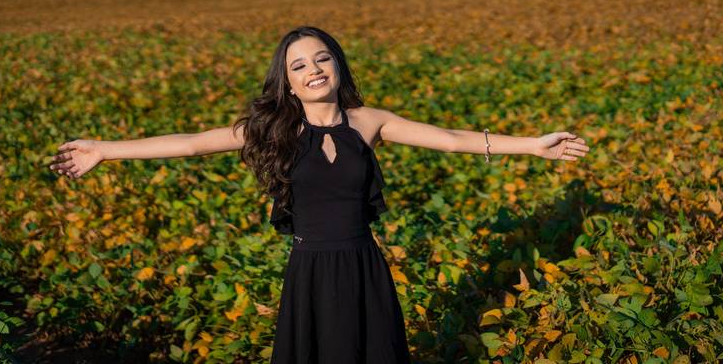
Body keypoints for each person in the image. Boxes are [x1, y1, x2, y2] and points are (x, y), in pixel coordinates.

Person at [49, 25, 590, 363]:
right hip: (309, 269)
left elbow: (450, 139)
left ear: (339, 64)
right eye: (299, 65)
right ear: (286, 81)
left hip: (364, 266)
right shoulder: (275, 130)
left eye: (322, 58)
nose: (313, 70)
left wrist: (531, 147)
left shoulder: (369, 121)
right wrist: (105, 149)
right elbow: (191, 144)